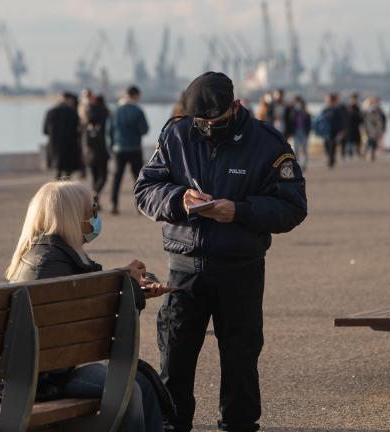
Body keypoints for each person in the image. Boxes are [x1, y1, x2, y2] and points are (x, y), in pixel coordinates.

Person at [134, 72, 307, 432]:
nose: (209, 129)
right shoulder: (176, 135)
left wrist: (239, 211)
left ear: (235, 106)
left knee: (240, 363)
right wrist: (178, 199)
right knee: (175, 363)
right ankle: (172, 425)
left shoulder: (268, 143)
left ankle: (238, 425)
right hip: (184, 270)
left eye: (216, 122)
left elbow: (292, 207)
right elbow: (145, 190)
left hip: (239, 269)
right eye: (202, 123)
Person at [0, 180, 168, 432]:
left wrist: (127, 287)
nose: (95, 219)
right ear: (71, 217)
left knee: (141, 381)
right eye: (91, 212)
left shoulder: (55, 255)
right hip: (38, 377)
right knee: (130, 390)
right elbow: (90, 325)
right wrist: (123, 289)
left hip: (51, 368)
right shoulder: (48, 265)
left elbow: (85, 305)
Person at [111, 85, 149, 215]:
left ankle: (114, 205)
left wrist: (111, 146)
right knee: (138, 179)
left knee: (117, 177)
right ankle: (139, 206)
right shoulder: (138, 111)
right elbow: (144, 130)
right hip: (134, 148)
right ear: (135, 95)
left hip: (118, 149)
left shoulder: (115, 110)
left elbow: (108, 130)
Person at [43, 92, 85, 179]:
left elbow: (45, 131)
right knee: (67, 175)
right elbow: (78, 132)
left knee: (58, 173)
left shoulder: (50, 112)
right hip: (69, 147)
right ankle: (66, 191)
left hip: (54, 147)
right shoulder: (73, 113)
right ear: (69, 100)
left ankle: (55, 190)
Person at [85, 95, 112, 208]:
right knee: (103, 176)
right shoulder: (105, 114)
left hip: (90, 152)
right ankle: (95, 194)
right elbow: (109, 133)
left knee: (95, 177)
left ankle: (96, 202)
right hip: (102, 151)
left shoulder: (89, 115)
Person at [316, 93, 345, 169]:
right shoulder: (324, 109)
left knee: (332, 145)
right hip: (325, 131)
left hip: (334, 131)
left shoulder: (337, 110)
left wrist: (341, 130)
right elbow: (320, 120)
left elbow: (341, 121)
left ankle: (331, 160)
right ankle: (330, 157)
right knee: (326, 145)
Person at [285, 95, 311, 171]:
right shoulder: (292, 112)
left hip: (303, 132)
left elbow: (308, 124)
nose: (298, 104)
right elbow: (289, 122)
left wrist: (308, 132)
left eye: (299, 102)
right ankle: (296, 165)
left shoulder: (306, 113)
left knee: (304, 150)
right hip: (295, 132)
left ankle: (304, 165)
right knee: (295, 150)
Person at [362, 96, 386, 162]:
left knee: (371, 141)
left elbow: (379, 120)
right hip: (371, 129)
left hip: (371, 129)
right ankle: (369, 152)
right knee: (371, 141)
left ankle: (369, 153)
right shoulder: (372, 111)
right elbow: (378, 121)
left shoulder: (369, 110)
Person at [342, 92, 362, 159]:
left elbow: (359, 117)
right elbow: (347, 116)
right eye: (355, 98)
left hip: (355, 126)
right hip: (349, 126)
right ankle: (348, 153)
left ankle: (356, 152)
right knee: (349, 140)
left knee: (357, 140)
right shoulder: (349, 106)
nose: (356, 100)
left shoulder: (357, 106)